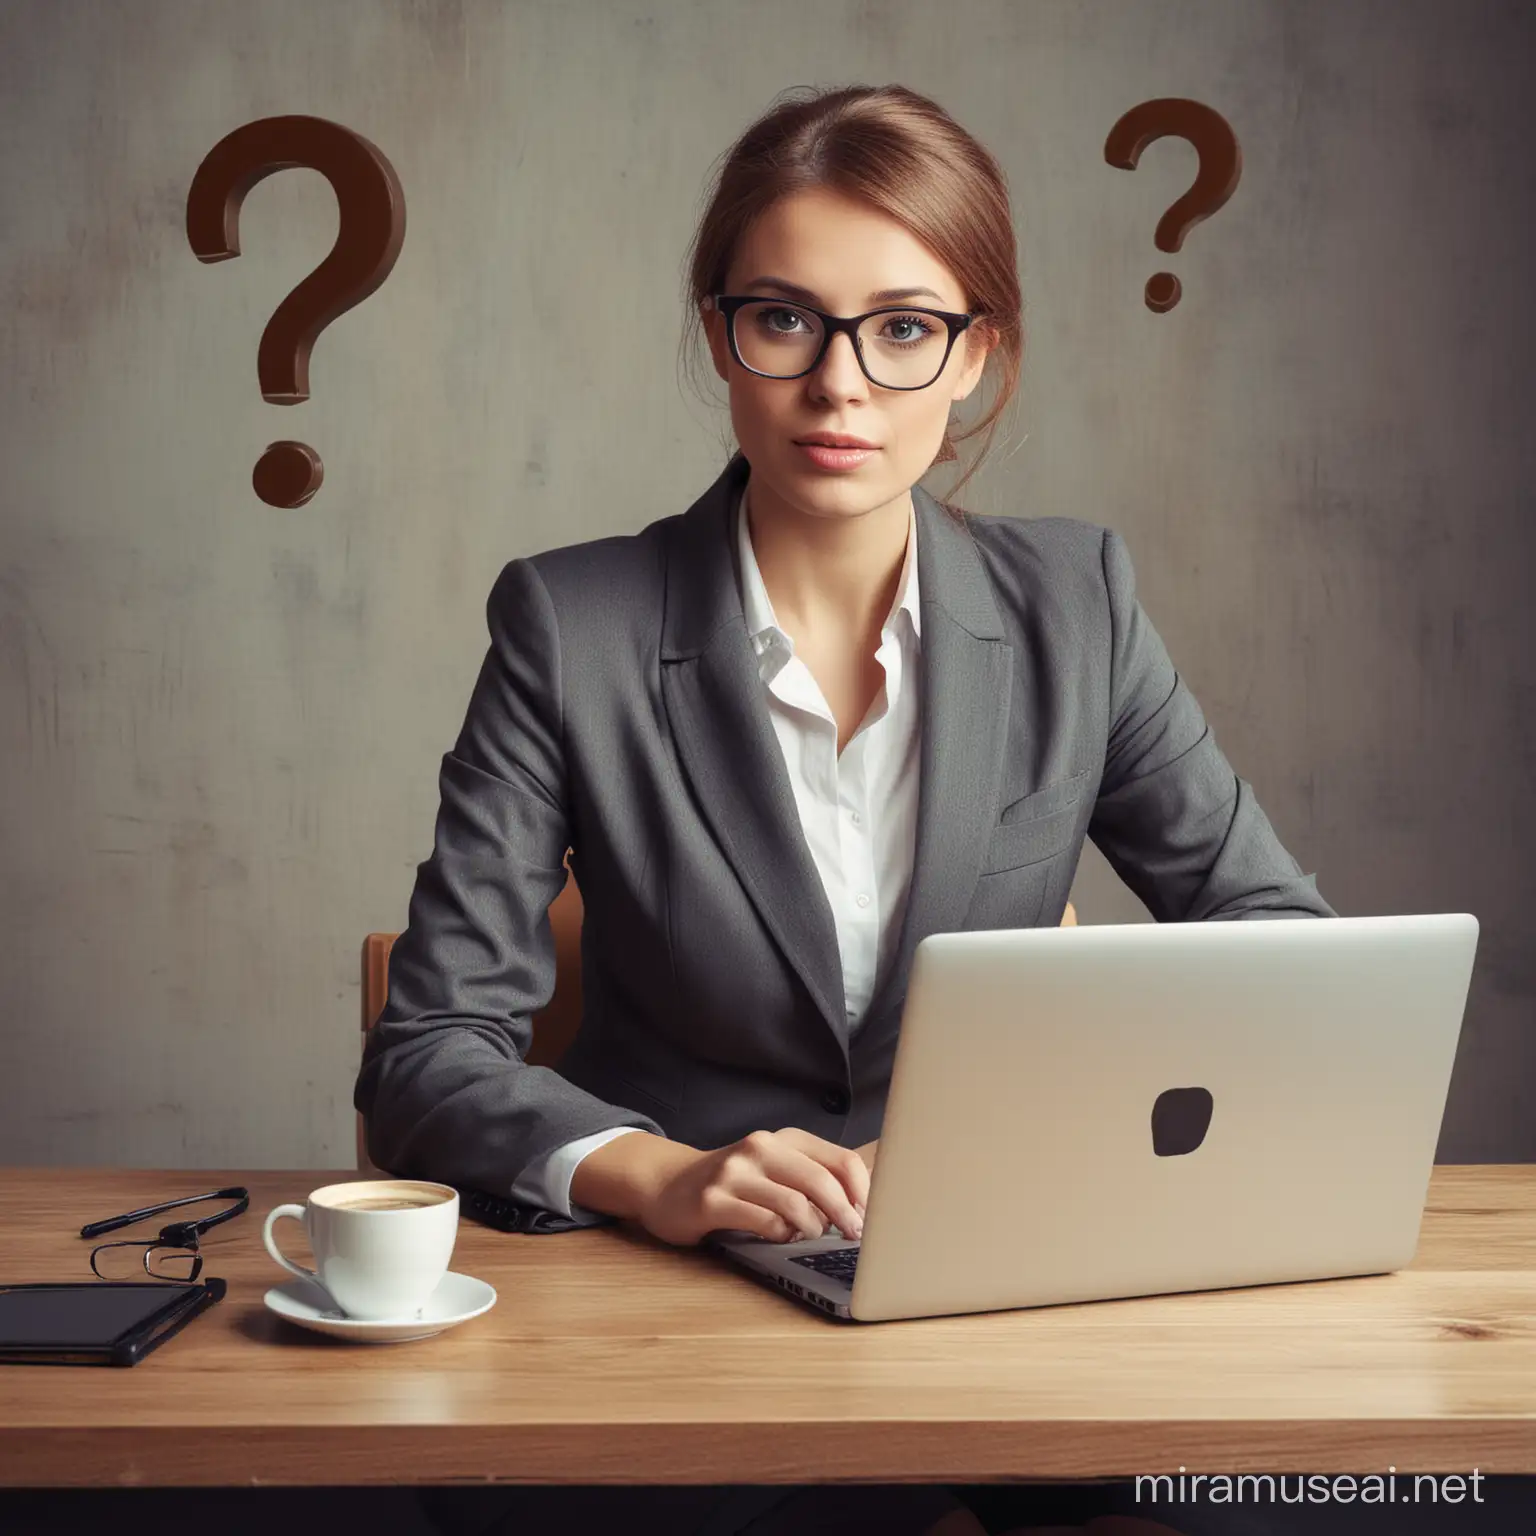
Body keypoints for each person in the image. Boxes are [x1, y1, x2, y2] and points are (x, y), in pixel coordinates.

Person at [358, 82, 1338, 1536]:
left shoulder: (1081, 605)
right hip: (677, 1311)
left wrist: (1077, 1045)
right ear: (721, 339)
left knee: (1304, 1500)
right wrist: (664, 1178)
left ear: (973, 356)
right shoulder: (574, 622)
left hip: (1013, 1295)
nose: (840, 385)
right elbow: (428, 1053)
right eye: (784, 319)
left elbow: (1280, 948)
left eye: (903, 327)